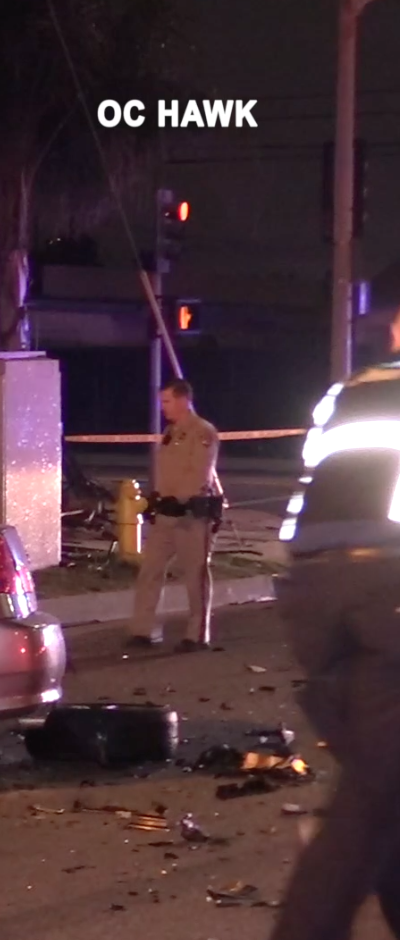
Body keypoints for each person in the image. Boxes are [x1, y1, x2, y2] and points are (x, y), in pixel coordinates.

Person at [266, 311, 400, 940]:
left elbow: (315, 474)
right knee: (371, 799)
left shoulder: (348, 391)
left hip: (315, 593)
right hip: (387, 588)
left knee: (380, 784)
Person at [127, 379, 223, 652]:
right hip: (168, 514)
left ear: (183, 400)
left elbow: (199, 473)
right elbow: (166, 471)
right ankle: (143, 630)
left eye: (167, 401)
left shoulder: (203, 431)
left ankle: (197, 635)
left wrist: (178, 499)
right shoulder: (171, 432)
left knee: (195, 576)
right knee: (150, 571)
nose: (163, 408)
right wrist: (156, 499)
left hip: (193, 515)